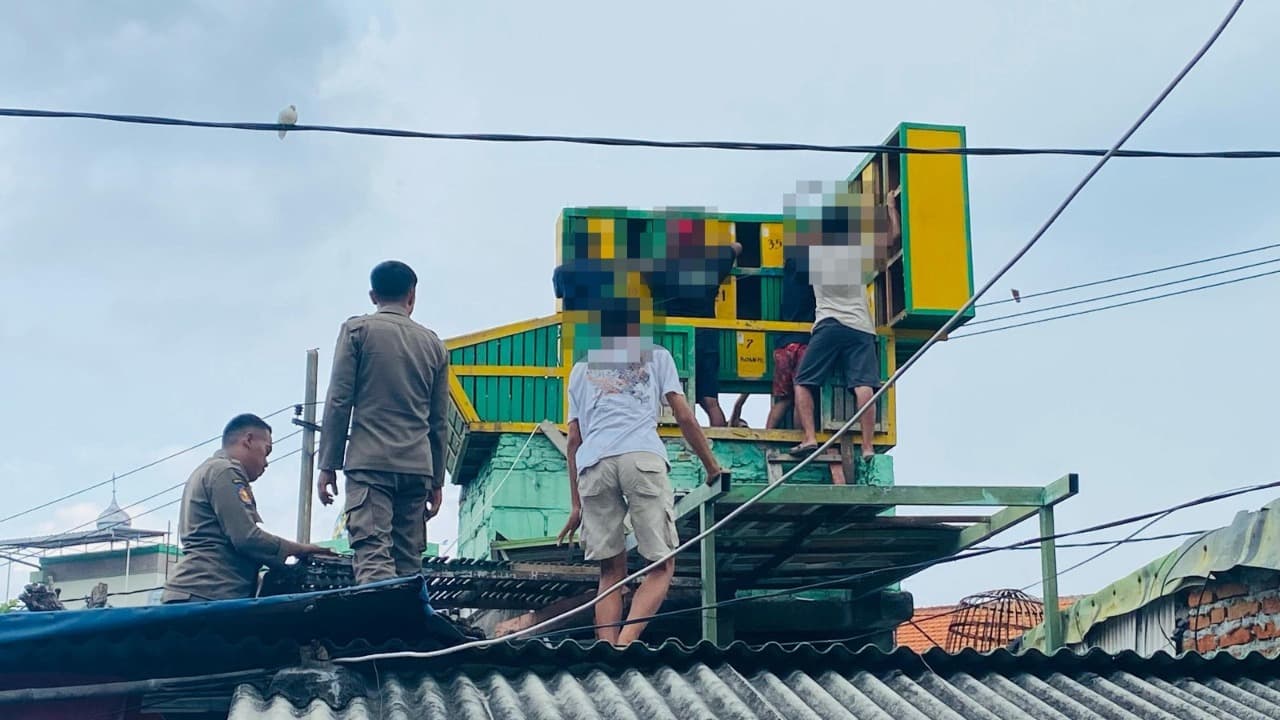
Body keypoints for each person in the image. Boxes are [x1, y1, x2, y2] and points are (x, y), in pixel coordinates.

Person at [555, 301, 727, 647]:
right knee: (661, 565)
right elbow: (684, 415)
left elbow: (574, 440)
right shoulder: (656, 355)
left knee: (610, 573)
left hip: (594, 466)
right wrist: (712, 467)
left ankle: (606, 648)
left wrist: (575, 506)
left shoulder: (581, 369)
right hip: (641, 457)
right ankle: (625, 642)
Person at [316, 260, 451, 586]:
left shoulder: (357, 331)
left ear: (373, 295)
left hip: (370, 465)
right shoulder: (434, 345)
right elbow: (439, 421)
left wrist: (327, 464)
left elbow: (338, 401)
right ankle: (404, 634)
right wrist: (437, 480)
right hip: (417, 469)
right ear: (412, 296)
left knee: (373, 553)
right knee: (407, 563)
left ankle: (377, 634)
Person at [162, 414, 333, 603]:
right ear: (249, 440)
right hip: (207, 593)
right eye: (266, 451)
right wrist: (301, 549)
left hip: (200, 593)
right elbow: (246, 538)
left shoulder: (209, 470)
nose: (266, 462)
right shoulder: (225, 472)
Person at [789, 186, 901, 468]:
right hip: (861, 327)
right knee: (864, 385)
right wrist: (889, 207)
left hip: (828, 324)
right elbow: (892, 238)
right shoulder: (856, 253)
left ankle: (810, 437)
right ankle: (866, 446)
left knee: (803, 382)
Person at [644, 216, 742, 427]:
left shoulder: (660, 267)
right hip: (706, 335)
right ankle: (718, 440)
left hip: (673, 341)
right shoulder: (709, 263)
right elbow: (737, 246)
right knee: (710, 401)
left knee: (673, 395)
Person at [768, 243, 817, 430]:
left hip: (783, 345)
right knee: (801, 393)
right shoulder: (814, 276)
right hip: (804, 342)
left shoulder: (788, 274)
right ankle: (800, 438)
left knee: (783, 398)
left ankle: (767, 437)